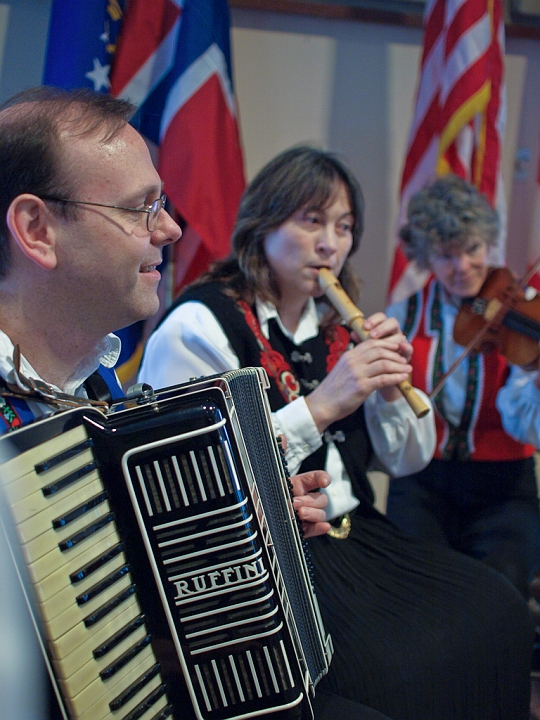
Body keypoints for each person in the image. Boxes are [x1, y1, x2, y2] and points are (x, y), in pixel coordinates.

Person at [0, 88, 394, 720]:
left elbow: (126, 582)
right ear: (37, 230)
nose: (171, 228)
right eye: (139, 208)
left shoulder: (94, 387)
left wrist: (233, 533)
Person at [139, 145, 536, 720]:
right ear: (263, 223)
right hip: (274, 556)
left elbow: (405, 462)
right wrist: (322, 406)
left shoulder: (334, 325)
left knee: (497, 610)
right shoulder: (199, 325)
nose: (331, 243)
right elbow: (195, 483)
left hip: (357, 533)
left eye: (344, 227)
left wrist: (389, 390)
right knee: (403, 668)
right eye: (312, 220)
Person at [385, 174, 540, 602]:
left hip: (504, 486)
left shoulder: (526, 310)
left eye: (473, 250)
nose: (463, 268)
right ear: (424, 256)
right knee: (414, 591)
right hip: (422, 481)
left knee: (499, 589)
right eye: (445, 255)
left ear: (488, 243)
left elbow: (532, 431)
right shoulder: (403, 314)